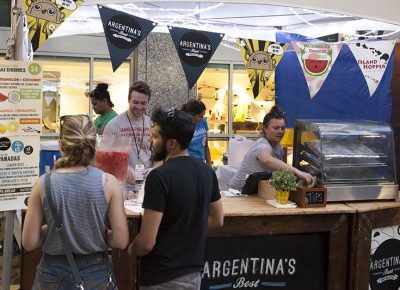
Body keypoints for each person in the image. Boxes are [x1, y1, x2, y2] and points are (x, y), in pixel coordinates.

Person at [22, 115, 129, 289]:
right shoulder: (110, 183)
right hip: (96, 271)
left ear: (61, 146)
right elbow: (120, 241)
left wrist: (50, 229)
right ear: (94, 146)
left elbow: (29, 242)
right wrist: (97, 232)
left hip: (52, 273)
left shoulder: (43, 184)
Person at [128, 108, 224, 289]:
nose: (150, 140)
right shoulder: (206, 171)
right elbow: (218, 220)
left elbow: (147, 243)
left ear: (172, 143)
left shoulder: (159, 177)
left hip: (161, 277)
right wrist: (183, 226)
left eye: (155, 137)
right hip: (193, 275)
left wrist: (131, 249)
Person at [230, 105, 313, 191]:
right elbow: (266, 159)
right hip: (238, 193)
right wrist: (298, 172)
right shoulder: (262, 144)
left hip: (256, 192)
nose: (280, 132)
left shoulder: (278, 148)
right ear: (265, 129)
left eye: (283, 128)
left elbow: (282, 172)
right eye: (276, 128)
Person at [103, 80, 153, 190]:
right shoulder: (114, 124)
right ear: (128, 100)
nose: (139, 107)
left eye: (143, 103)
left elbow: (158, 154)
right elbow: (104, 158)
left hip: (146, 185)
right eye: (135, 102)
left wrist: (153, 169)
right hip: (122, 186)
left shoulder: (151, 124)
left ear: (148, 102)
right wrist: (122, 169)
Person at [181, 99, 212, 165]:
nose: (202, 119)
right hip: (187, 163)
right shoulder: (183, 126)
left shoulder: (203, 122)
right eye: (200, 116)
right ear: (191, 115)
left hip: (201, 162)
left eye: (203, 116)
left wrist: (209, 165)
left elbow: (206, 147)